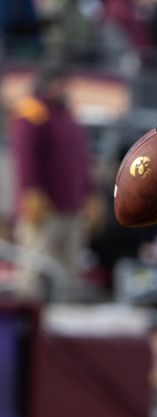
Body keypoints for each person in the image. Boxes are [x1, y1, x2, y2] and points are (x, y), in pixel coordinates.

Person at [10, 64, 95, 301]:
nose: (65, 89)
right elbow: (26, 156)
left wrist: (89, 194)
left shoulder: (68, 115)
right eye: (61, 83)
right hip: (44, 209)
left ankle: (62, 329)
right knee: (33, 270)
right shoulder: (32, 111)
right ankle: (29, 327)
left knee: (69, 272)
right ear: (48, 83)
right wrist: (31, 192)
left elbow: (82, 159)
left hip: (72, 208)